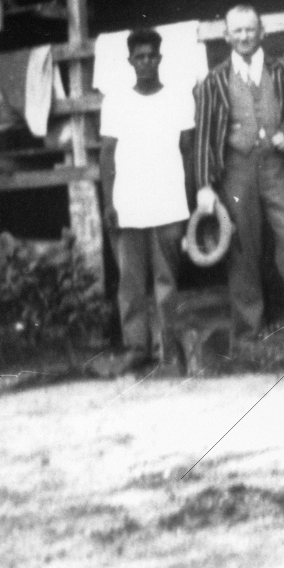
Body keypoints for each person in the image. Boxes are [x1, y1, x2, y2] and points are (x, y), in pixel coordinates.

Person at [192, 4, 284, 339]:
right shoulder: (214, 81)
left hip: (280, 166)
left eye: (249, 29)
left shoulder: (283, 72)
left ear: (262, 32)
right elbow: (205, 136)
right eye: (236, 31)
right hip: (236, 169)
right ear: (226, 36)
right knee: (242, 247)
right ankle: (248, 332)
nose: (243, 37)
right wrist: (204, 186)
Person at [98, 28, 193, 371]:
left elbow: (187, 149)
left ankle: (169, 349)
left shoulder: (179, 97)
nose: (146, 62)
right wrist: (109, 203)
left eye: (151, 55)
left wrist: (190, 199)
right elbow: (107, 155)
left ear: (160, 58)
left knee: (166, 281)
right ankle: (137, 348)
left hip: (169, 203)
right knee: (130, 282)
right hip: (128, 204)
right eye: (139, 57)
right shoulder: (116, 100)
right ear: (130, 61)